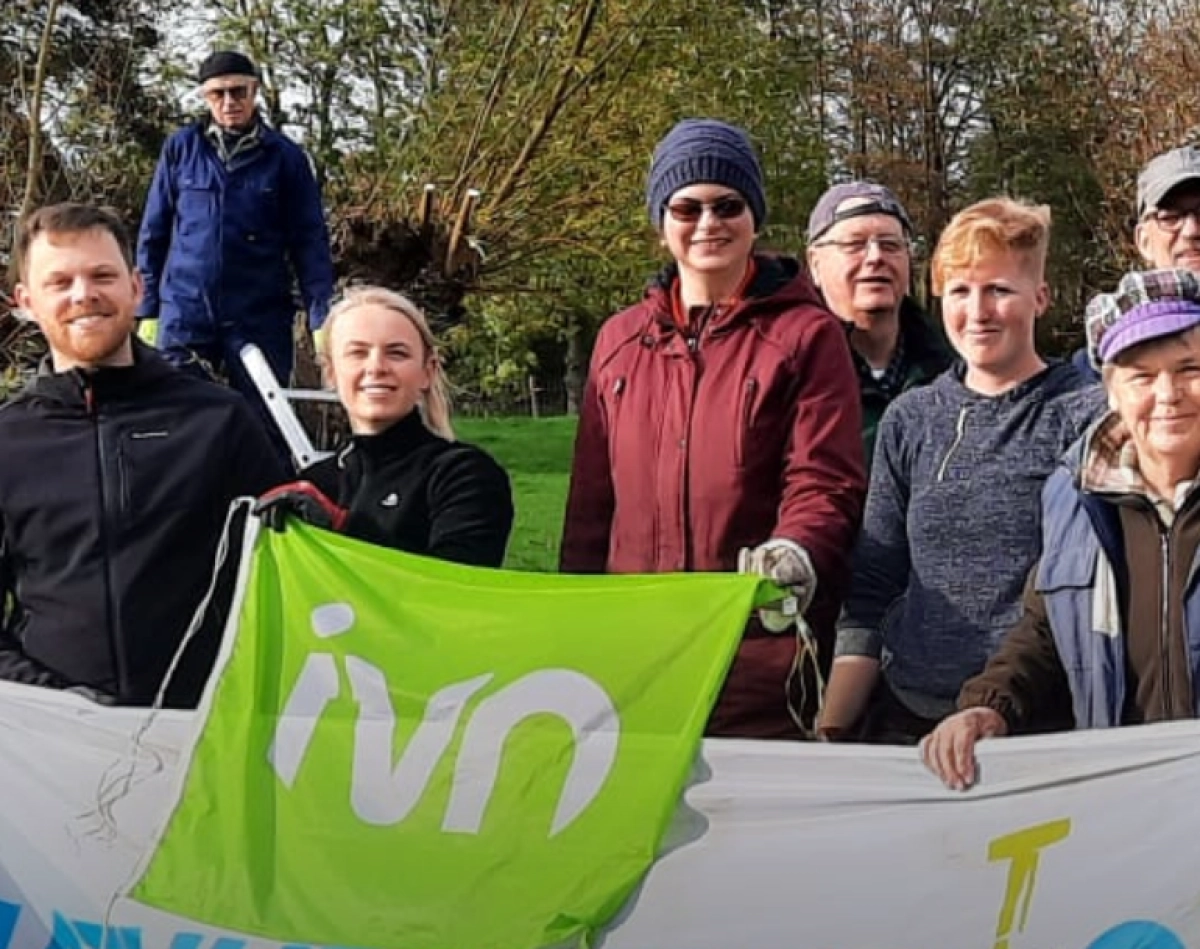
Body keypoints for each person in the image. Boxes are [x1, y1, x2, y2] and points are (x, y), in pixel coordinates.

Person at [558, 118, 866, 739]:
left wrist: (797, 549)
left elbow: (825, 478)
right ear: (661, 220)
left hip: (756, 657)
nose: (708, 224)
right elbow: (592, 504)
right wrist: (575, 626)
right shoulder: (618, 342)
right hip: (636, 653)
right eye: (687, 207)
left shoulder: (807, 335)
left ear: (754, 217)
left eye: (728, 205)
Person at [819, 198, 1104, 744]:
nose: (978, 311)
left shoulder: (1084, 413)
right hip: (909, 718)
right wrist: (831, 729)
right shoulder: (911, 419)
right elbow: (876, 583)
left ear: (1039, 298)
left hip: (1042, 726)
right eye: (960, 291)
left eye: (999, 289)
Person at [0, 203, 286, 707]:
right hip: (51, 746)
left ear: (137, 286)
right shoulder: (8, 441)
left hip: (205, 736)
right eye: (59, 281)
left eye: (101, 275)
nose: (83, 294)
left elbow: (286, 575)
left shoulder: (218, 420)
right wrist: (56, 702)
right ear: (25, 301)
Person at [924, 269, 1200, 790]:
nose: (1168, 394)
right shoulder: (1074, 497)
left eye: (1190, 368)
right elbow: (1047, 626)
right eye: (1142, 375)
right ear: (1112, 392)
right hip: (1125, 795)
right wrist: (990, 705)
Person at [255, 286, 514, 568]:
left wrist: (340, 526)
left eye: (397, 353)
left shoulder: (464, 474)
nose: (376, 367)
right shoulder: (314, 483)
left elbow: (455, 588)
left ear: (427, 371)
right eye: (357, 353)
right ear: (330, 374)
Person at [135, 50, 334, 412]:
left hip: (259, 315)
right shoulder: (181, 149)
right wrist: (146, 309)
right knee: (178, 419)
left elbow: (310, 242)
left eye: (238, 92)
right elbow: (154, 232)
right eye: (218, 94)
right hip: (185, 312)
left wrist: (321, 315)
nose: (229, 102)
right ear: (204, 97)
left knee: (264, 422)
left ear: (255, 90)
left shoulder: (286, 158)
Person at [807, 181, 951, 466]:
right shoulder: (794, 371)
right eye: (854, 245)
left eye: (890, 245)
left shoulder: (954, 373)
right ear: (815, 264)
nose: (875, 258)